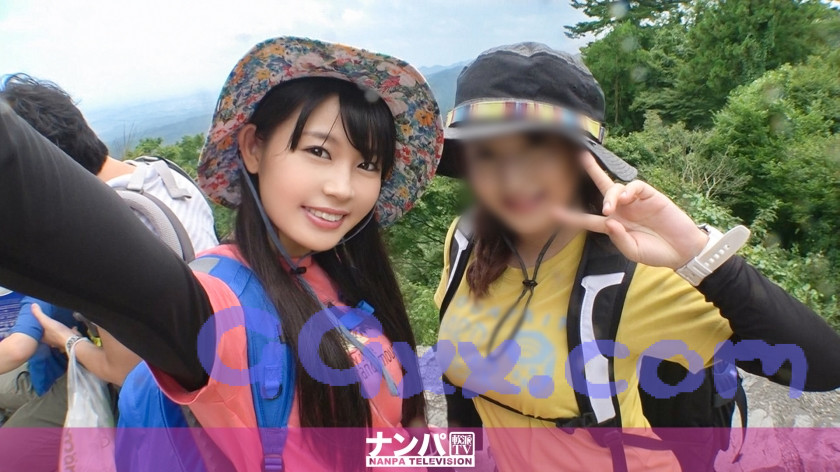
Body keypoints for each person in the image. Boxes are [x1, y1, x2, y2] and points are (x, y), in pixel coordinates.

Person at [0, 36, 442, 471]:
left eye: (367, 165)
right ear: (253, 148)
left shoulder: (343, 273)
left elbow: (398, 431)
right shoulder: (218, 307)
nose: (343, 188)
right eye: (318, 151)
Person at [433, 42, 840, 471]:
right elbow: (461, 375)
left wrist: (697, 254)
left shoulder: (629, 273)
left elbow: (821, 367)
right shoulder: (466, 241)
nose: (512, 179)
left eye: (540, 151)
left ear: (581, 162)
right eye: (487, 153)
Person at [0, 74, 219, 469]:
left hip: (159, 387)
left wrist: (65, 339)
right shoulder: (162, 172)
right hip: (214, 348)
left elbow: (122, 369)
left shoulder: (95, 231)